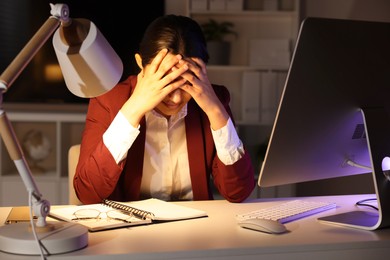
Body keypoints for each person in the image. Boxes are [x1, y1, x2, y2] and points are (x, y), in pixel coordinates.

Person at [74, 14, 255, 204]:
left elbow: (238, 192)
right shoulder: (108, 100)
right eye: (165, 81)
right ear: (140, 64)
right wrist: (133, 111)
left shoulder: (212, 101)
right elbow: (88, 194)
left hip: (196, 227)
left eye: (186, 83)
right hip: (132, 229)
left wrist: (216, 111)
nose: (176, 98)